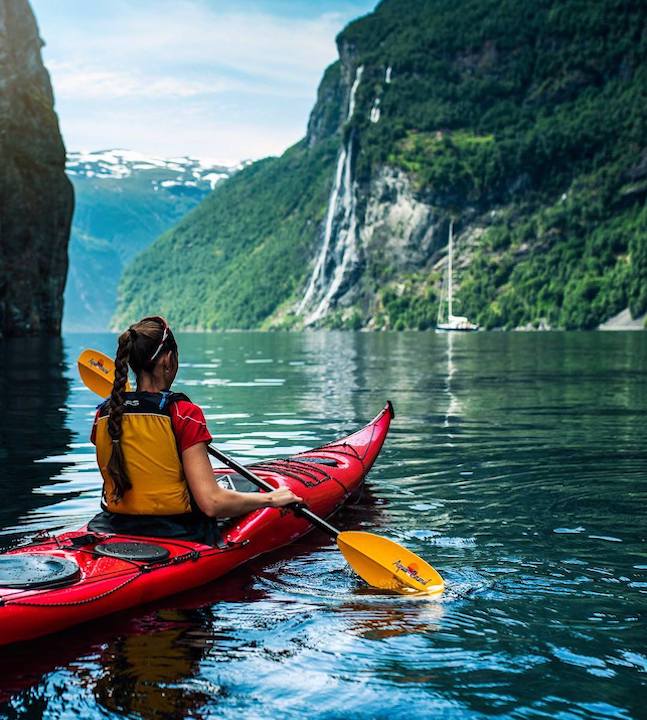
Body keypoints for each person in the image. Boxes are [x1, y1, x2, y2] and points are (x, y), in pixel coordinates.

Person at [88, 316, 301, 544]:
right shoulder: (183, 413)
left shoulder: (104, 414)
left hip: (113, 526)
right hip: (177, 532)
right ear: (168, 360)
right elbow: (212, 503)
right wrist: (271, 499)